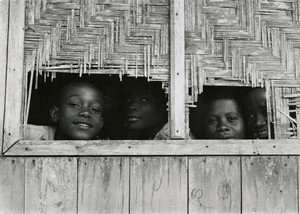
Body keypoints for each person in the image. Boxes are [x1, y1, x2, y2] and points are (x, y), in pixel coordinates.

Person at [25, 77, 104, 140]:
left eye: (95, 109)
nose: (86, 113)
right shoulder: (26, 137)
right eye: (75, 104)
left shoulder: (107, 151)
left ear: (100, 124)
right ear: (55, 114)